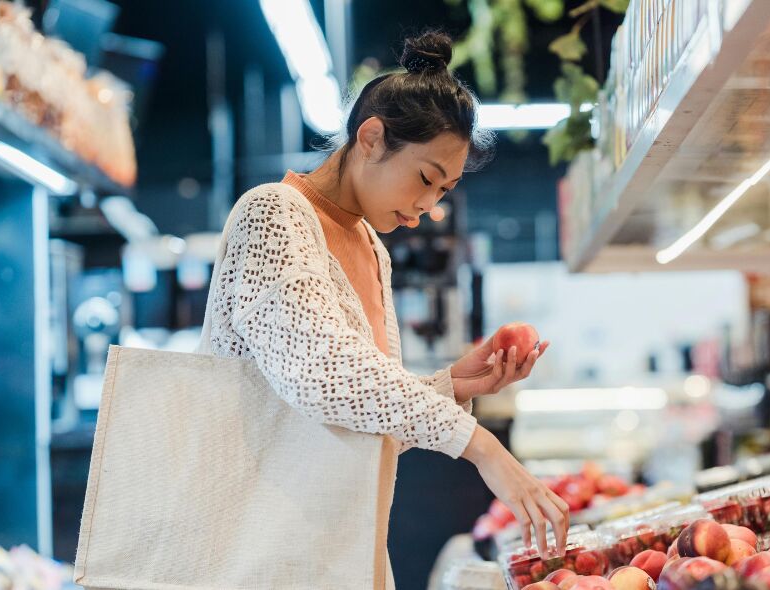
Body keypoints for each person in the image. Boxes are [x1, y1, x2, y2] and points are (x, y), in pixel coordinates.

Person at [206, 30, 569, 579]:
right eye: (426, 177)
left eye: (443, 190)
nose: (426, 205)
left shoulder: (373, 249)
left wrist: (451, 386)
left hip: (339, 552)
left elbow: (353, 421)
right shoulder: (273, 215)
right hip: (256, 560)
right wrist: (481, 447)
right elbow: (320, 373)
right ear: (371, 137)